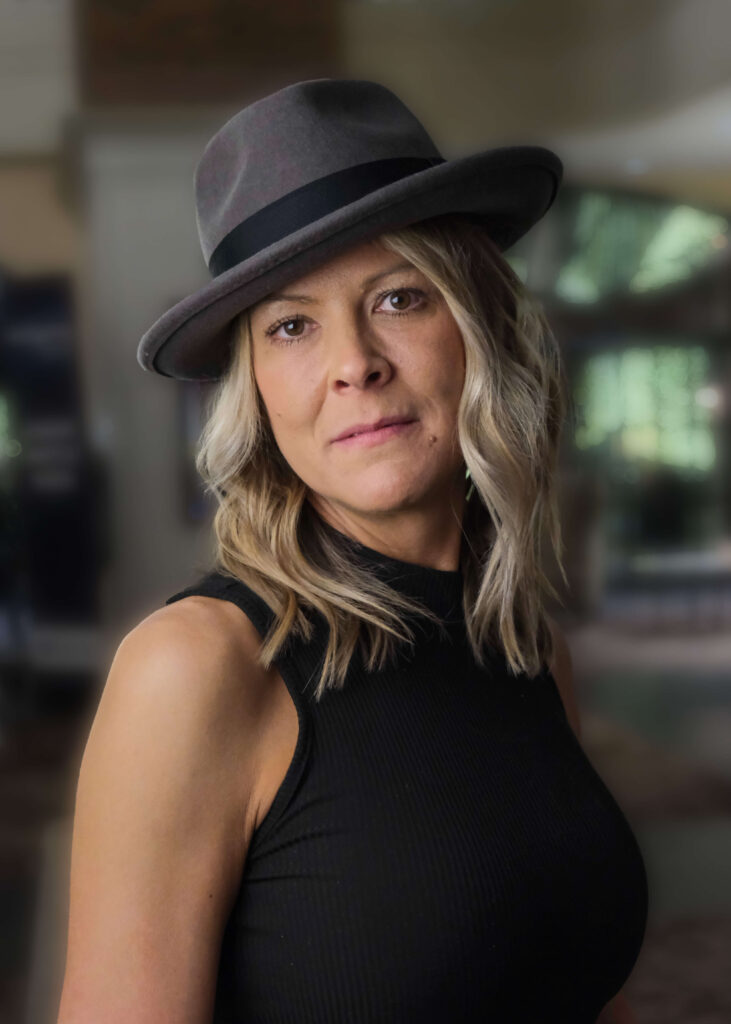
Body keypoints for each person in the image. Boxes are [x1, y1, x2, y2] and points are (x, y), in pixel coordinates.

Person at [57, 80, 647, 1023]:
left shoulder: (527, 647)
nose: (353, 361)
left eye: (400, 298)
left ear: (479, 328)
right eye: (292, 325)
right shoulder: (197, 668)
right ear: (255, 387)